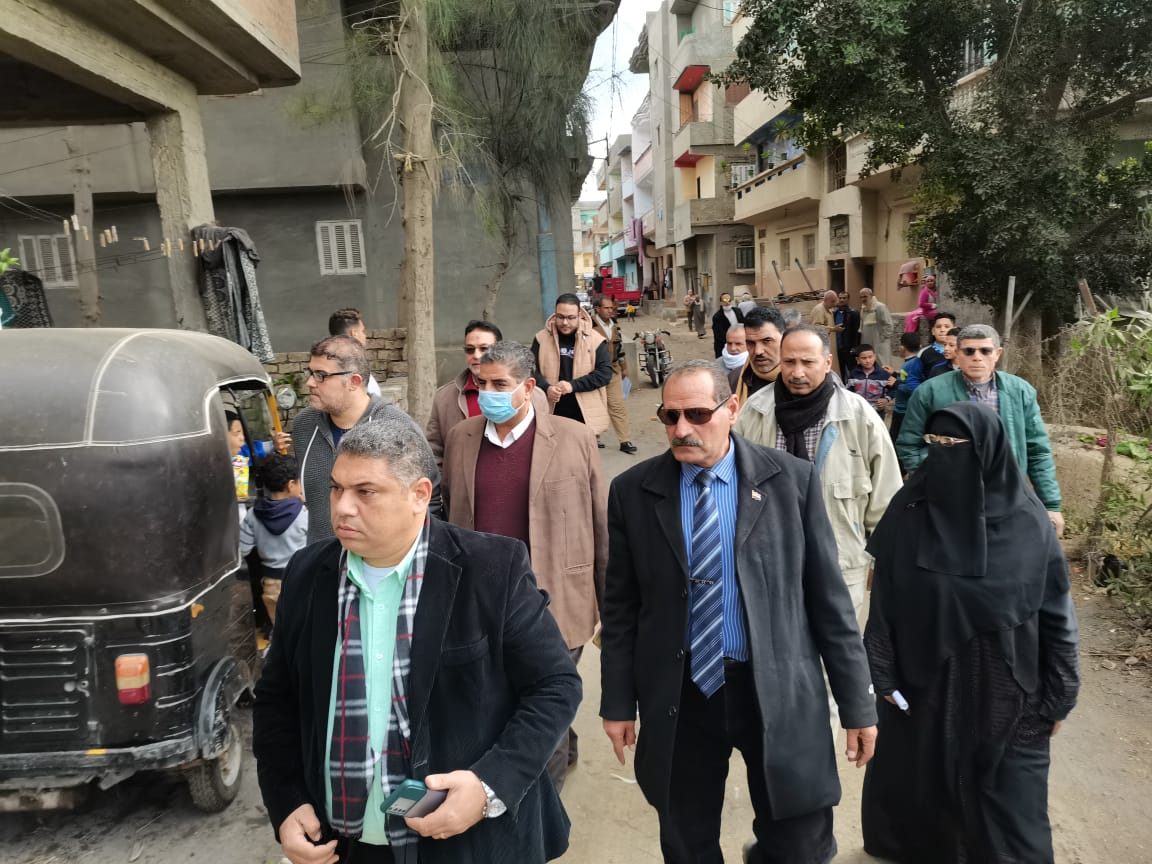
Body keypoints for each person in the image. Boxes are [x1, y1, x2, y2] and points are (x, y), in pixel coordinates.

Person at [253, 417, 582, 864]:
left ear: (419, 495)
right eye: (336, 488)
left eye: (365, 492)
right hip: (341, 844)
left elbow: (556, 685)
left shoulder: (490, 569)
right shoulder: (308, 573)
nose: (343, 507)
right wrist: (286, 800)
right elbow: (277, 700)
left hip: (464, 842)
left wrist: (488, 785)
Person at [600, 359, 878, 864]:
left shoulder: (790, 482)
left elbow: (829, 601)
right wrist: (618, 701)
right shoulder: (634, 492)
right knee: (686, 839)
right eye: (669, 416)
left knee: (799, 840)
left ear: (731, 408)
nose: (681, 429)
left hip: (776, 687)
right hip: (683, 692)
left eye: (697, 414)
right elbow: (621, 608)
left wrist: (857, 704)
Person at [861, 403, 1080, 864]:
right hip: (923, 685)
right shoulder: (910, 510)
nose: (942, 454)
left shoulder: (1028, 524)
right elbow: (884, 604)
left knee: (1011, 826)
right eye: (934, 443)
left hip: (1007, 690)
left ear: (988, 450)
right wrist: (881, 673)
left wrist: (1060, 693)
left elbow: (1057, 614)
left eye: (954, 445)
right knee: (921, 811)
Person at [441, 341, 607, 792]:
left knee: (541, 711)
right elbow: (454, 515)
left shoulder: (574, 438)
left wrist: (609, 607)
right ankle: (561, 748)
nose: (489, 393)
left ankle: (542, 808)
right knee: (510, 700)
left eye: (501, 385)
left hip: (558, 599)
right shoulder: (462, 438)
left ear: (529, 386)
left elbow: (601, 523)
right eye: (482, 384)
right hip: (485, 602)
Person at [734, 325, 901, 633]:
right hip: (769, 562)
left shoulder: (859, 417)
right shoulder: (755, 412)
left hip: (840, 563)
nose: (797, 372)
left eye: (807, 362)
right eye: (789, 362)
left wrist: (881, 562)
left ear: (827, 362)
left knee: (836, 648)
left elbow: (887, 498)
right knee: (775, 645)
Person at [896, 323, 1064, 535]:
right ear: (957, 354)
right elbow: (908, 444)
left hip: (1007, 495)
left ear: (997, 354)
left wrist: (1051, 504)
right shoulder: (930, 392)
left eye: (985, 351)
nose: (977, 357)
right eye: (969, 351)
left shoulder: (1020, 391)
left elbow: (1037, 450)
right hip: (950, 498)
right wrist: (934, 476)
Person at [290, 335, 439, 543]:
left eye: (321, 375)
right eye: (310, 373)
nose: (310, 383)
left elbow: (431, 500)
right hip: (322, 556)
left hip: (384, 558)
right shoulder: (304, 425)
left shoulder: (397, 426)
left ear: (354, 381)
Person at [239, 452, 308, 626]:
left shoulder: (253, 515)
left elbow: (243, 549)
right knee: (303, 628)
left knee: (279, 629)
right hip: (300, 580)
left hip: (271, 584)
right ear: (291, 484)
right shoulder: (303, 514)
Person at [425, 320, 503, 469]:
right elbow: (434, 453)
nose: (476, 355)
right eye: (470, 349)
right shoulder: (444, 398)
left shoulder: (526, 394)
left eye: (484, 349)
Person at [532, 293, 612, 434]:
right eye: (560, 317)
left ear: (579, 315)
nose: (565, 322)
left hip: (585, 413)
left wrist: (572, 385)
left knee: (582, 447)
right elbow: (530, 370)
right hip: (550, 411)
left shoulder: (595, 340)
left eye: (570, 318)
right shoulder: (541, 338)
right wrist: (547, 388)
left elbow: (605, 374)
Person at [591, 297, 638, 454]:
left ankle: (625, 440)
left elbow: (620, 348)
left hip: (613, 370)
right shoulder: (589, 326)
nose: (610, 310)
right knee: (595, 405)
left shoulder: (615, 325)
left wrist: (624, 367)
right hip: (594, 372)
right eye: (606, 308)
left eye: (611, 308)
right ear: (597, 309)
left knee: (617, 405)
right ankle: (594, 438)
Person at [730, 306, 786, 406]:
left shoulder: (801, 380)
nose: (758, 351)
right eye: (750, 343)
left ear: (784, 338)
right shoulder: (735, 379)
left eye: (767, 341)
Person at [329, 307, 383, 397]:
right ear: (354, 333)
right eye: (362, 331)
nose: (365, 336)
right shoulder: (354, 367)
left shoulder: (329, 366)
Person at [889, 332, 926, 443]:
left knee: (897, 440)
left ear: (902, 348)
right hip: (900, 408)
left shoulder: (913, 363)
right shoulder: (910, 362)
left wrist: (896, 384)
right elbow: (905, 378)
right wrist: (895, 374)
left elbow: (913, 386)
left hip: (905, 410)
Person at [846, 344, 896, 418]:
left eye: (870, 357)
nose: (868, 361)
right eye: (864, 358)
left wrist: (886, 399)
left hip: (877, 412)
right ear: (858, 360)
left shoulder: (883, 374)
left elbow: (894, 388)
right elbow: (849, 390)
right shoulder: (854, 374)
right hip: (858, 412)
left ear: (875, 356)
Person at [810, 290, 842, 376]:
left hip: (830, 344)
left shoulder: (828, 309)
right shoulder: (819, 310)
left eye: (835, 301)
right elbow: (816, 327)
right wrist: (833, 329)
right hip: (822, 345)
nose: (834, 304)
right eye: (832, 301)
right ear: (826, 300)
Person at [858, 288, 893, 367]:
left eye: (865, 296)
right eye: (861, 297)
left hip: (880, 343)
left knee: (882, 364)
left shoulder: (880, 307)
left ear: (871, 295)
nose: (863, 299)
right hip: (868, 342)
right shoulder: (863, 308)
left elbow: (889, 325)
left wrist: (882, 338)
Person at [834, 291, 861, 379]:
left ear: (848, 299)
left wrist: (855, 347)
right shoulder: (834, 313)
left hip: (848, 348)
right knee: (840, 370)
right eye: (840, 298)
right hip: (837, 348)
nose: (842, 300)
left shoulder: (854, 313)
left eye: (844, 298)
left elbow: (857, 332)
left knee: (852, 370)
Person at [710, 293, 744, 359]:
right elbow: (719, 334)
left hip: (740, 342)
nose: (727, 302)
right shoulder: (717, 316)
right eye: (725, 300)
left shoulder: (738, 311)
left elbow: (743, 324)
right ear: (721, 302)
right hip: (724, 345)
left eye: (729, 300)